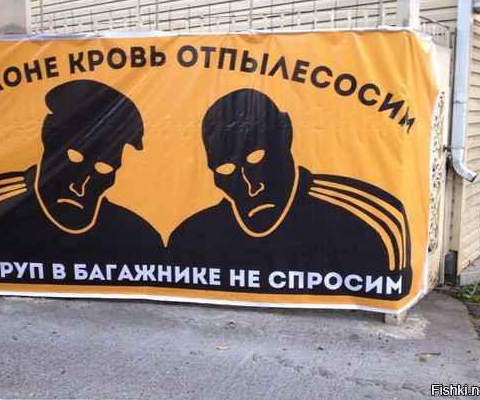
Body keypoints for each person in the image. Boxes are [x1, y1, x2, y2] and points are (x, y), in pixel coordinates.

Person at [168, 88, 412, 300]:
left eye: (256, 158)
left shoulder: (366, 220)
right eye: (226, 170)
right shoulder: (191, 235)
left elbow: (391, 284)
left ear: (286, 135)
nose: (250, 186)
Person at [0, 79, 162, 283]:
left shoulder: (136, 233)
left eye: (103, 168)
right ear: (47, 138)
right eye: (74, 158)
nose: (80, 186)